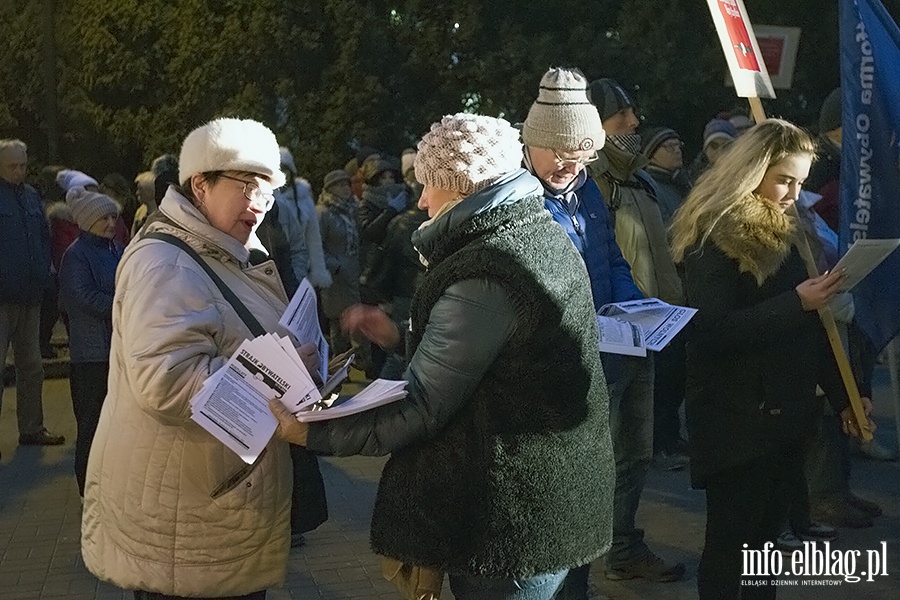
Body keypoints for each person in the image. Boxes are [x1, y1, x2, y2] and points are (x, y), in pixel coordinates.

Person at [271, 113, 615, 600]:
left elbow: (421, 406)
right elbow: (500, 359)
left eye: (429, 185)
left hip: (510, 523)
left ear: (460, 186)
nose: (422, 200)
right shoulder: (535, 231)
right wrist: (402, 336)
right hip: (552, 501)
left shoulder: (488, 268)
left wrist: (310, 432)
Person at [81, 118, 316, 599]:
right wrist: (281, 378)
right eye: (247, 186)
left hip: (207, 499)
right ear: (200, 184)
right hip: (183, 514)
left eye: (268, 192)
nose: (259, 205)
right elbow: (166, 383)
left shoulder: (220, 249)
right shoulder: (166, 261)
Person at [669, 118, 875, 599]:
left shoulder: (793, 227)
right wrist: (795, 303)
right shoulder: (716, 235)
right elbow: (708, 331)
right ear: (751, 171)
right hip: (735, 418)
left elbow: (816, 325)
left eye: (800, 182)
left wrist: (848, 394)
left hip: (786, 414)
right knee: (729, 546)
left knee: (763, 551)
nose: (793, 193)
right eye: (785, 179)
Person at [585, 75, 686, 582]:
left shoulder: (641, 179)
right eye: (620, 115)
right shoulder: (587, 182)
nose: (634, 123)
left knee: (636, 450)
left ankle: (622, 547)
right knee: (600, 452)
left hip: (648, 333)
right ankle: (579, 562)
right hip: (607, 339)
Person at [58, 187, 124, 497]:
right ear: (88, 221)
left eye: (113, 216)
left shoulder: (117, 250)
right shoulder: (76, 255)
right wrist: (125, 305)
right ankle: (88, 488)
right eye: (104, 218)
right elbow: (83, 297)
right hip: (91, 355)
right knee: (91, 424)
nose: (111, 223)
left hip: (117, 351)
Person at [0, 139, 65, 449]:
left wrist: (44, 272)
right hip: (3, 295)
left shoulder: (30, 196)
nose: (19, 171)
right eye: (13, 166)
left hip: (30, 292)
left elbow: (41, 237)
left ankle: (32, 428)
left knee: (32, 366)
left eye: (23, 165)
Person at [317, 169, 361, 354]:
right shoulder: (322, 213)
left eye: (347, 183)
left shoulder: (352, 208)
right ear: (330, 188)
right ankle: (340, 365)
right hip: (335, 276)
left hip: (353, 272)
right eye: (340, 184)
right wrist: (336, 265)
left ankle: (360, 363)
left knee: (358, 318)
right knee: (338, 322)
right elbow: (316, 246)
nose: (345, 188)